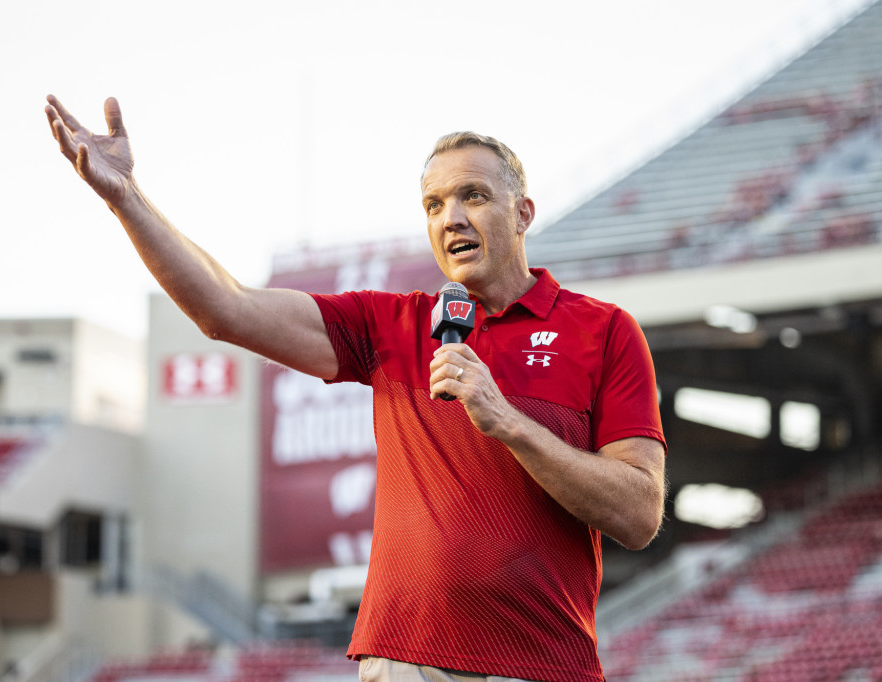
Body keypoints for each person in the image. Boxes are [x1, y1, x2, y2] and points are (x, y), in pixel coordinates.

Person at [45, 95, 666, 682]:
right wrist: (127, 198)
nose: (451, 219)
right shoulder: (389, 323)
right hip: (404, 659)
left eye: (474, 196)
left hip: (544, 662)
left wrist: (506, 421)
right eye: (433, 204)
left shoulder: (604, 331)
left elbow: (638, 514)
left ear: (523, 212)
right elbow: (224, 308)